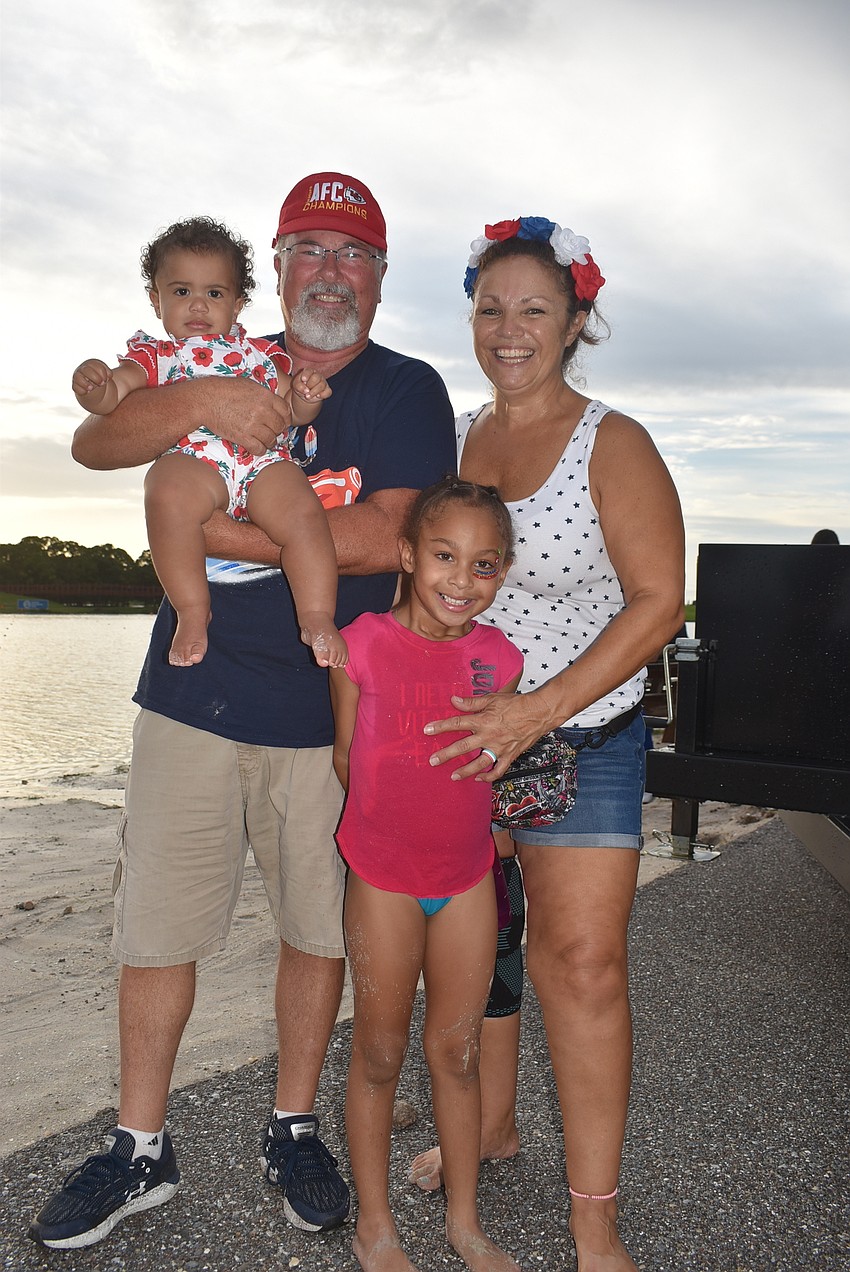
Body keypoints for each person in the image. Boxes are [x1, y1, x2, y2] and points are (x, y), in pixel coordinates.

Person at [29, 172, 456, 1251]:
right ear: (275, 266)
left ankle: (292, 1127)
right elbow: (96, 443)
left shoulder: (407, 389)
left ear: (379, 275)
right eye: (309, 248)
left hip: (329, 714)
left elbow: (389, 536)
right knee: (158, 928)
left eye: (352, 253)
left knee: (316, 930)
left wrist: (216, 535)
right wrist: (206, 404)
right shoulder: (217, 347)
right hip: (192, 694)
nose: (329, 272)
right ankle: (139, 1145)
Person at [408, 216, 685, 1272]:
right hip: (465, 743)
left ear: (575, 321)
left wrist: (539, 709)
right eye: (490, 308)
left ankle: (593, 1217)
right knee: (477, 953)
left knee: (584, 968)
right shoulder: (458, 439)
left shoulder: (614, 442)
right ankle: (491, 1126)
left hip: (586, 740)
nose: (508, 328)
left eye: (533, 308)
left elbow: (658, 603)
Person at [331, 477, 523, 1272]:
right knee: (379, 1054)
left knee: (458, 1054)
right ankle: (375, 1226)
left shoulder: (500, 659)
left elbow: (495, 758)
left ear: (502, 572)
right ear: (408, 555)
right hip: (383, 879)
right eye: (445, 556)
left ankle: (464, 1223)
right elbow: (346, 758)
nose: (461, 580)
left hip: (467, 880)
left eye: (484, 565)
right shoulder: (362, 643)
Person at [72, 215, 346, 671]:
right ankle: (192, 611)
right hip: (196, 462)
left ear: (237, 305)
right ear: (156, 300)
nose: (198, 304)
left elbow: (293, 412)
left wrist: (305, 396)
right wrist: (94, 387)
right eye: (182, 291)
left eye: (214, 293)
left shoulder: (261, 354)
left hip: (263, 463)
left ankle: (316, 615)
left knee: (304, 513)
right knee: (166, 490)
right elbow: (112, 397)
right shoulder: (156, 357)